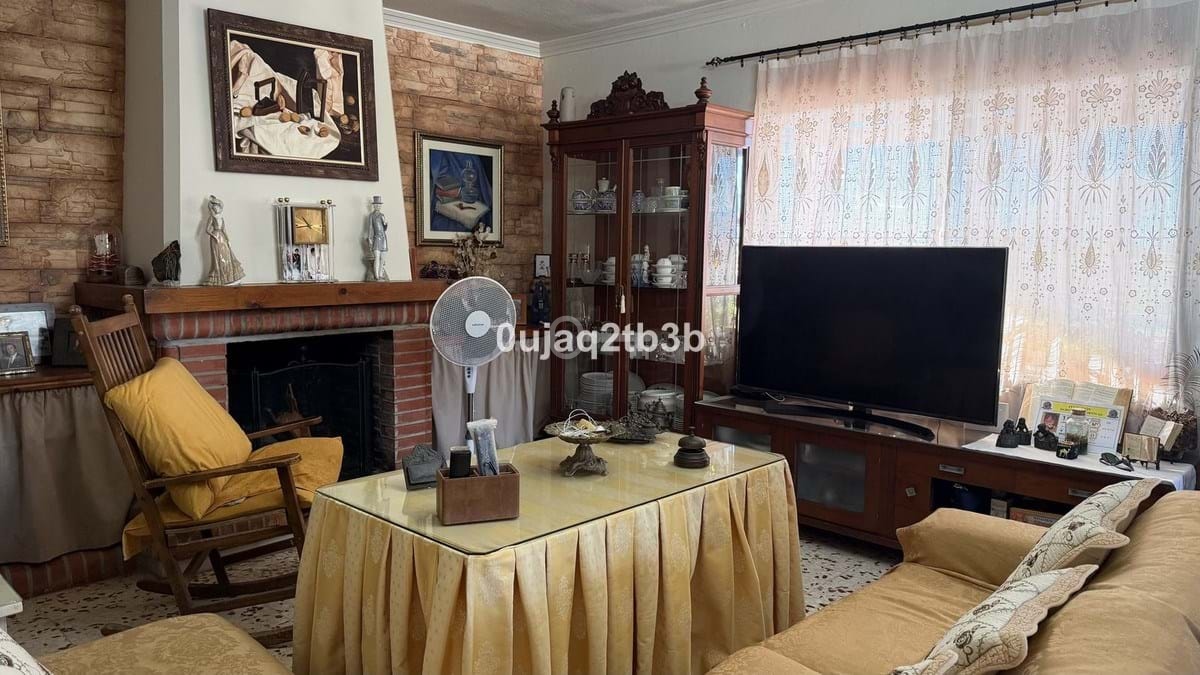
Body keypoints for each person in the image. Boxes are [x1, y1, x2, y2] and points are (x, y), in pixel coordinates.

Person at [204, 195, 245, 286]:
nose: (216, 208)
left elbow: (224, 230)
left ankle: (228, 278)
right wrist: (214, 236)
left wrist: (228, 240)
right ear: (213, 207)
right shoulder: (211, 217)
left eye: (217, 206)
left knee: (226, 256)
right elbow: (207, 230)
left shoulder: (221, 218)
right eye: (215, 206)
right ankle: (220, 278)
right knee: (218, 257)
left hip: (222, 237)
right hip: (215, 238)